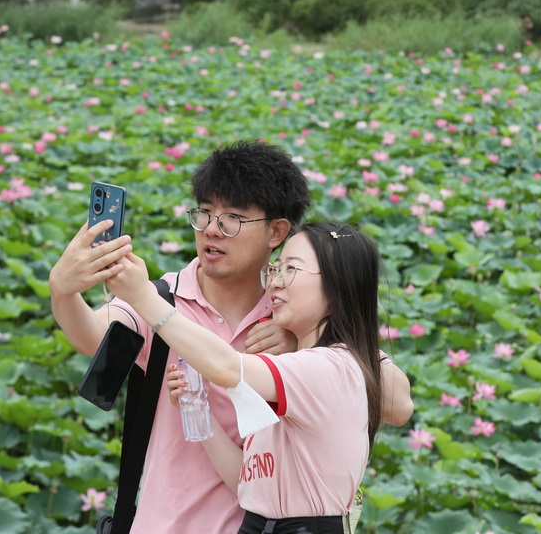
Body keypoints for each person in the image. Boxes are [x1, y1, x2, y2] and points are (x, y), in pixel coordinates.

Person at [49, 140, 413, 533]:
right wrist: (63, 292)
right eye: (205, 212)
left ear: (277, 231)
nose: (211, 230)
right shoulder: (164, 297)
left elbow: (396, 404)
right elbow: (92, 337)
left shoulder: (294, 311)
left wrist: (301, 347)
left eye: (233, 218)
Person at [106, 222, 385, 533]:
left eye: (291, 269)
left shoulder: (332, 368)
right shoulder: (294, 369)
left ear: (337, 286)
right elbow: (249, 485)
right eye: (275, 269)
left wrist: (143, 298)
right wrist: (196, 406)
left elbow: (226, 367)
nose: (275, 282)